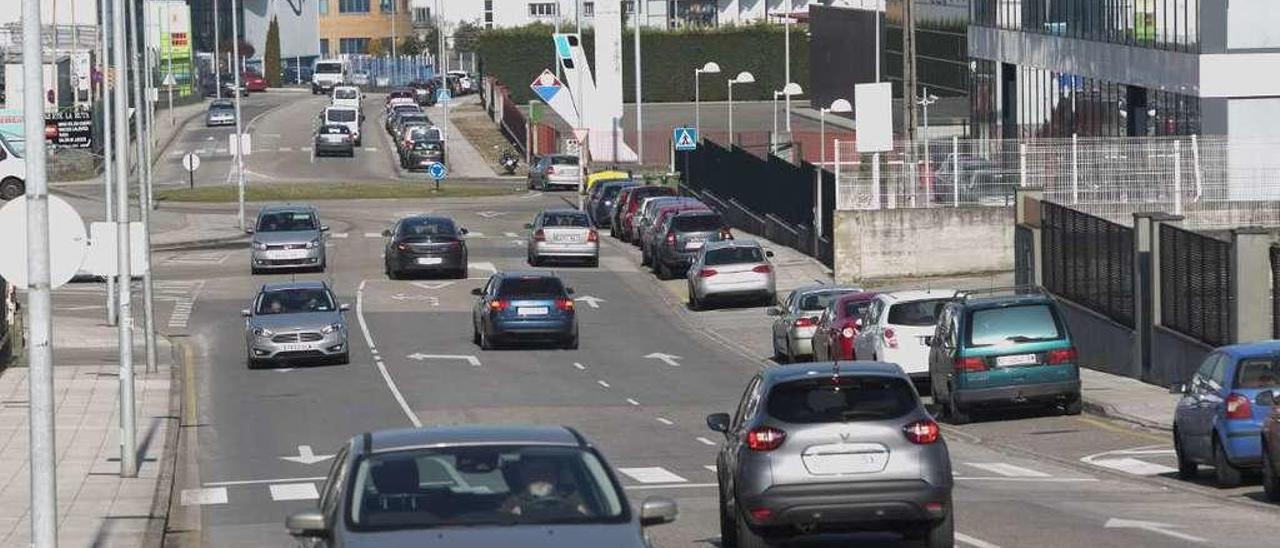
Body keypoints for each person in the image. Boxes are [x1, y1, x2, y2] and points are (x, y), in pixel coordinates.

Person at [502, 458, 590, 517]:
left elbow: (591, 519)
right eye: (534, 472)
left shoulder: (573, 497)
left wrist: (580, 510)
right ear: (524, 476)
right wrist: (512, 515)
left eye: (547, 472)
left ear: (556, 476)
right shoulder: (513, 501)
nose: (541, 477)